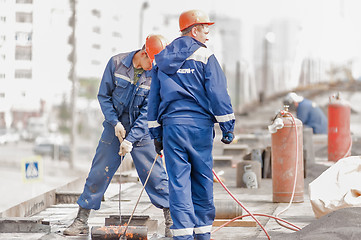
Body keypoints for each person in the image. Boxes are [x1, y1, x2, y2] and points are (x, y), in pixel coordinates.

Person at [63, 35, 173, 237]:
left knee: (156, 176)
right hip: (114, 128)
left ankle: (171, 220)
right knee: (98, 172)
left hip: (141, 131)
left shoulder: (156, 74)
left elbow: (149, 111)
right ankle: (81, 220)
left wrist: (131, 139)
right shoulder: (116, 63)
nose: (153, 66)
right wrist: (115, 123)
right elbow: (104, 96)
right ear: (143, 53)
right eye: (152, 61)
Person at [147, 10, 235, 240]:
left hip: (172, 129)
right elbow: (218, 93)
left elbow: (154, 99)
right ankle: (202, 235)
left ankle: (183, 236)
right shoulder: (206, 56)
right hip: (198, 128)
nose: (208, 36)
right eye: (206, 31)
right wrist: (227, 126)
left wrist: (156, 133)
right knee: (202, 179)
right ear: (194, 30)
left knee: (178, 184)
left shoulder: (161, 59)